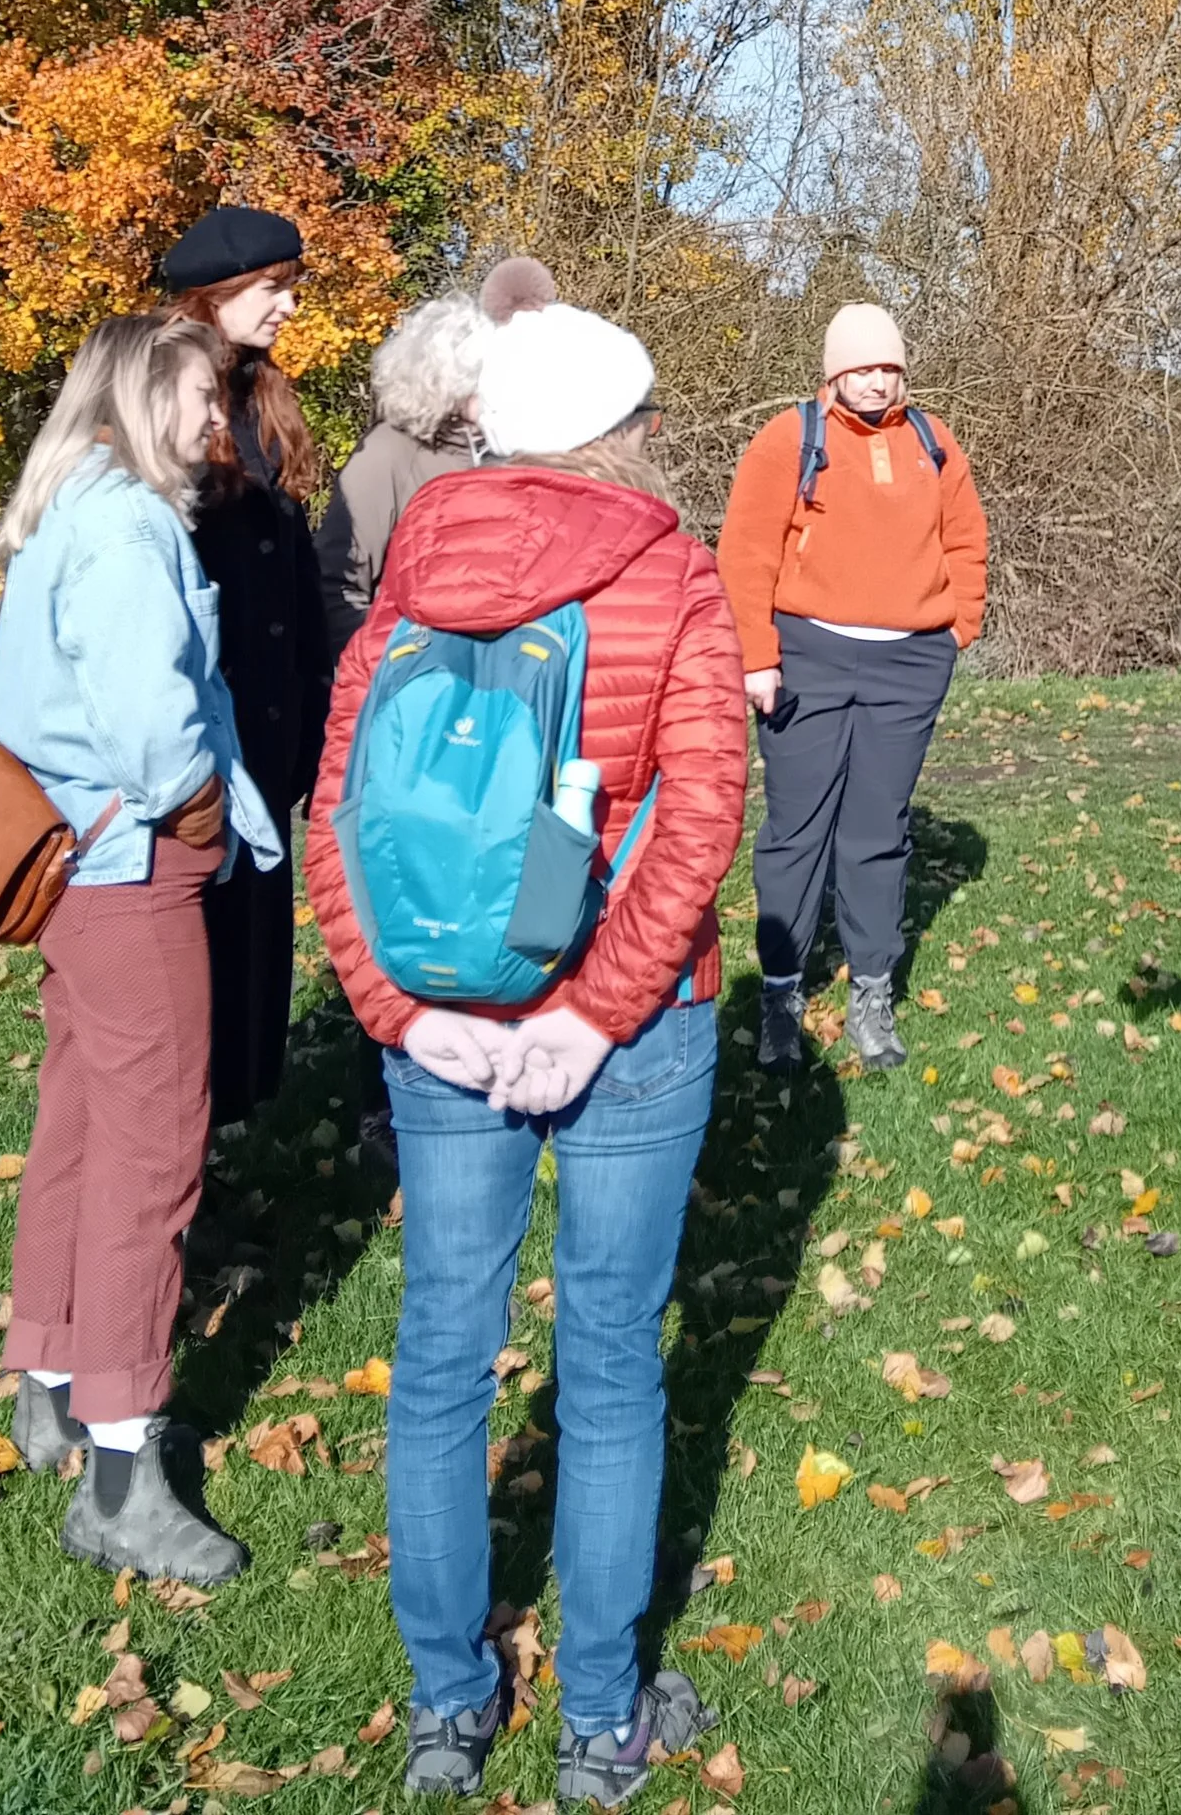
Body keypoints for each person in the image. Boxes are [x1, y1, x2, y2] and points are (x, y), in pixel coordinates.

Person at [306, 302, 749, 1805]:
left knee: (441, 1355)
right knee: (612, 1362)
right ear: (625, 425)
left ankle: (447, 1706)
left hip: (441, 1024)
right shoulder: (674, 574)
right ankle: (601, 1721)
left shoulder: (410, 572)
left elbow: (340, 822)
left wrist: (401, 1011)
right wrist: (590, 1014)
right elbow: (694, 824)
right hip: (627, 1035)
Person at [0, 313, 283, 1585]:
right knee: (149, 1160)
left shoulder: (72, 505)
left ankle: (50, 1384)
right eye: (198, 394)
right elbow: (154, 727)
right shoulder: (122, 524)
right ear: (139, 393)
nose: (214, 417)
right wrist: (206, 816)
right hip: (130, 867)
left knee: (84, 1129)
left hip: (74, 862)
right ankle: (121, 1472)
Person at [717, 303, 988, 1077]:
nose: (876, 380)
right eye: (861, 367)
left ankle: (873, 990)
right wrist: (756, 657)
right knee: (796, 828)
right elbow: (745, 552)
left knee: (877, 829)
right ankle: (779, 991)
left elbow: (967, 538)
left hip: (909, 663)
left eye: (888, 367)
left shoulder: (933, 443)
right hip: (806, 657)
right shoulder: (789, 438)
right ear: (833, 372)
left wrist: (954, 628)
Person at [160, 203, 334, 1125]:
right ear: (218, 293)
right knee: (197, 943)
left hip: (268, 717)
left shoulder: (262, 398)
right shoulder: (164, 403)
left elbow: (292, 564)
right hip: (196, 723)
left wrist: (312, 692)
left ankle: (224, 1129)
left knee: (256, 931)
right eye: (274, 288)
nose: (289, 306)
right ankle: (188, 1146)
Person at [315, 294, 489, 662]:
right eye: (488, 377)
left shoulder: (507, 453)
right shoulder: (386, 453)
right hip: (406, 684)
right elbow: (339, 584)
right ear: (450, 381)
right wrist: (384, 669)